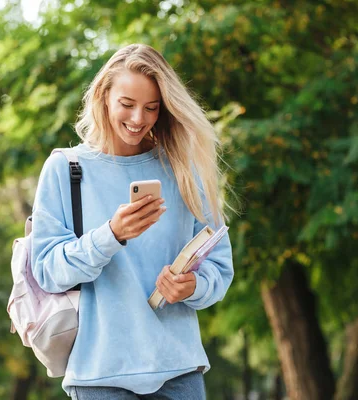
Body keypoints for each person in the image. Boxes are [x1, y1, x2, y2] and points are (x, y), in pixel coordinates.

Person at [31, 43, 234, 399]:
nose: (139, 118)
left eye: (151, 108)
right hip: (100, 377)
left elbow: (219, 267)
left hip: (179, 371)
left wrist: (192, 288)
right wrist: (111, 234)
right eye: (127, 104)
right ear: (104, 96)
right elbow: (47, 270)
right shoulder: (66, 170)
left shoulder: (183, 170)